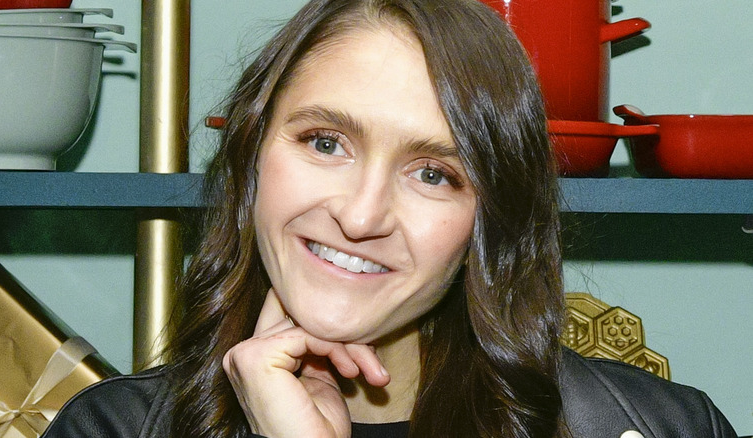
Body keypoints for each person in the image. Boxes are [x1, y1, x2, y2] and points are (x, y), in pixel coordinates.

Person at [42, 0, 738, 437]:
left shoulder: (659, 427)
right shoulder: (112, 429)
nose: (360, 214)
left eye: (434, 174)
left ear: (490, 220)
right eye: (325, 142)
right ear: (251, 156)